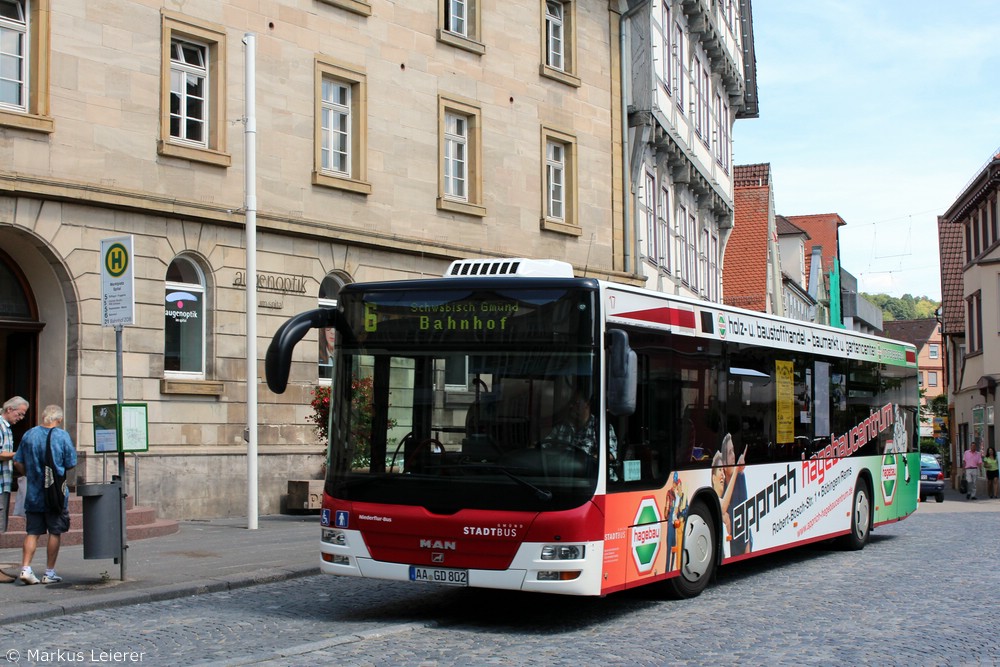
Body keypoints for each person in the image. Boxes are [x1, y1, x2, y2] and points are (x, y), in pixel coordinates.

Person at [12, 404, 77, 585]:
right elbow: (71, 462)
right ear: (59, 419)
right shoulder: (62, 436)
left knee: (32, 532)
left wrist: (30, 473)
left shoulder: (29, 434)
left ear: (43, 417)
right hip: (55, 493)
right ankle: (49, 572)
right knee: (55, 532)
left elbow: (17, 461)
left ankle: (25, 568)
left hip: (34, 492)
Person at [541, 388, 618, 479]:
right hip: (566, 477)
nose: (572, 407)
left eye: (576, 403)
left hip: (594, 479)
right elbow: (545, 445)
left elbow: (611, 454)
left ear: (587, 404)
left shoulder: (601, 427)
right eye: (571, 404)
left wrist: (587, 460)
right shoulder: (562, 426)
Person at [0, 396, 29, 583]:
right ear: (10, 409)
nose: (21, 418)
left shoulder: (7, 428)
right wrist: (20, 454)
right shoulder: (1, 426)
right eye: (20, 413)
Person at [722, 434, 751, 555]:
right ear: (723, 462)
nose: (733, 456)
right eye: (729, 453)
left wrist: (747, 553)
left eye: (733, 451)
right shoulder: (719, 485)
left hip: (742, 547)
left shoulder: (740, 477)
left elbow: (746, 522)